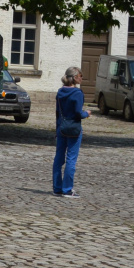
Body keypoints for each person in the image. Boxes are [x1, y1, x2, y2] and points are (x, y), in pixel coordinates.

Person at [53, 66, 89, 198]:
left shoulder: (60, 92)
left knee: (58, 158)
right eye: (80, 76)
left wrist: (57, 128)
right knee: (71, 159)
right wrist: (87, 113)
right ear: (74, 78)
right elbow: (78, 113)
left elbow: (58, 112)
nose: (82, 78)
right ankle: (67, 189)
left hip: (61, 127)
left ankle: (57, 188)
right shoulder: (77, 93)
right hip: (73, 128)